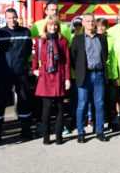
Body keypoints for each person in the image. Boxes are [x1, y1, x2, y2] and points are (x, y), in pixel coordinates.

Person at [0, 8, 34, 142]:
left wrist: (24, 66)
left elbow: (27, 51)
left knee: (24, 100)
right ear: (5, 18)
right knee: (1, 102)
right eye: (9, 18)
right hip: (4, 73)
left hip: (21, 72)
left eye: (14, 17)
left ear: (17, 17)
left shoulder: (25, 32)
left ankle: (26, 131)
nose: (12, 20)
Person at [70, 13, 109, 143]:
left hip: (99, 75)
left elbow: (105, 55)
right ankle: (81, 133)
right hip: (84, 75)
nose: (91, 23)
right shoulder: (78, 39)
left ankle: (100, 132)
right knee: (82, 104)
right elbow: (73, 58)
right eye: (88, 21)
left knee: (100, 104)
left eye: (93, 21)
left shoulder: (102, 38)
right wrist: (80, 70)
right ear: (83, 24)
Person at [32, 17, 71, 145]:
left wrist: (67, 79)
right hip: (45, 76)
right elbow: (35, 56)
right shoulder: (40, 40)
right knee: (47, 108)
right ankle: (46, 136)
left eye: (55, 25)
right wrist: (34, 69)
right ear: (46, 26)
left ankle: (59, 136)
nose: (53, 27)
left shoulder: (63, 40)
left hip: (59, 75)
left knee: (60, 108)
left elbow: (66, 62)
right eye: (50, 25)